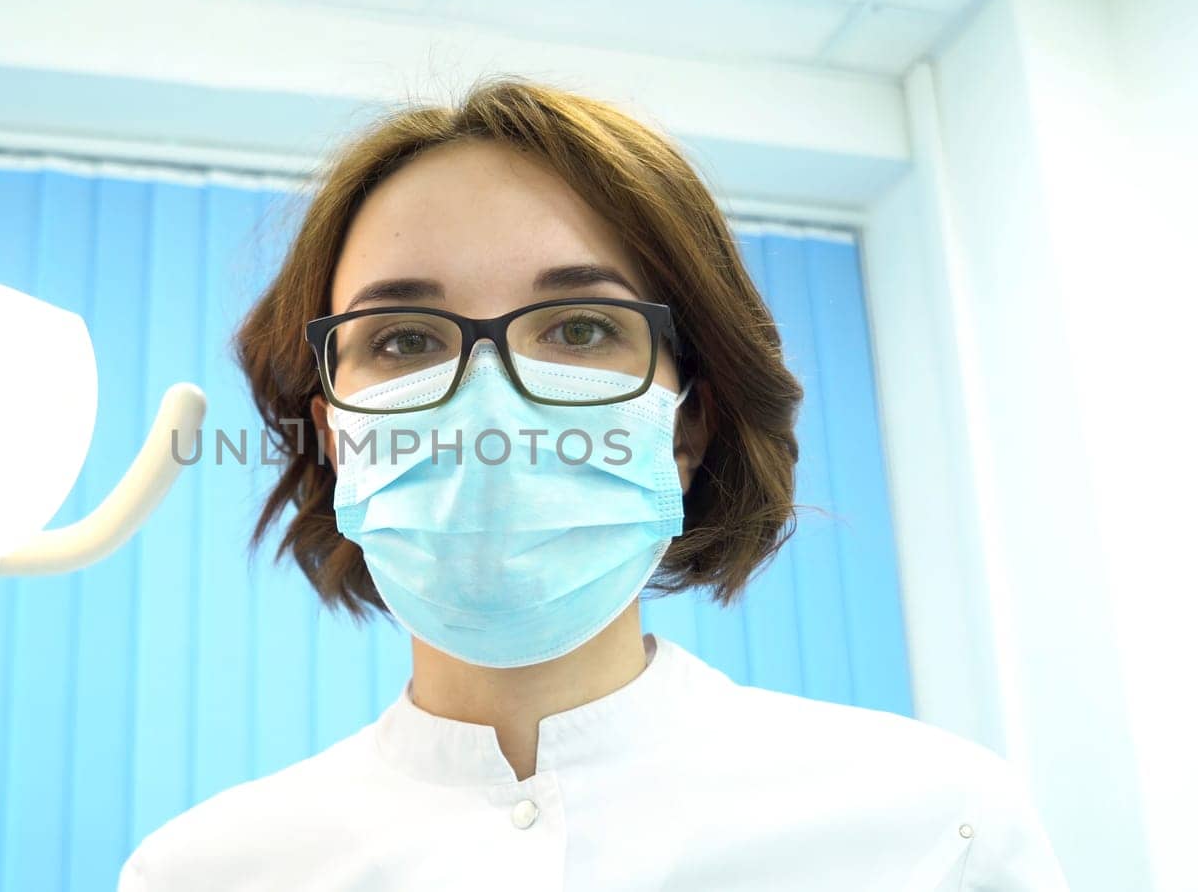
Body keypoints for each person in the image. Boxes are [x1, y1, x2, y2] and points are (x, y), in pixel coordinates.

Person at [119, 77, 1067, 890]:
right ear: (334, 435)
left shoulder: (936, 828)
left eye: (578, 330)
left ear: (687, 423)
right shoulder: (205, 872)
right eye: (404, 340)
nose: (488, 406)